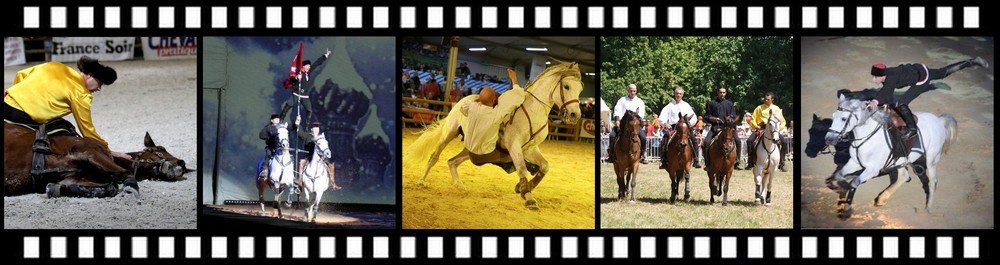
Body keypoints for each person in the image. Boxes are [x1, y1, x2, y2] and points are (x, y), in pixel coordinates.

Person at [4, 56, 130, 160]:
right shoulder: (81, 94)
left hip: (6, 102)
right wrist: (107, 149)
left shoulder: (56, 65)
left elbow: (20, 74)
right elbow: (87, 130)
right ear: (90, 75)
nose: (99, 88)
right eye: (100, 83)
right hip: (21, 116)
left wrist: (16, 93)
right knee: (64, 131)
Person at [869, 57, 989, 140]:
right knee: (944, 72)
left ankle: (912, 129)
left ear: (882, 75)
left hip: (922, 78)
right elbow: (888, 92)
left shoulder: (891, 78)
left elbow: (886, 91)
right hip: (919, 68)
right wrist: (884, 102)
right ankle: (973, 61)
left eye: (875, 77)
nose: (873, 80)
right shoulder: (887, 75)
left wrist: (875, 101)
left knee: (901, 103)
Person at [459, 69, 528, 158]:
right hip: (486, 153)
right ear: (493, 100)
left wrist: (478, 101)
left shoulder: (471, 106)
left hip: (468, 147)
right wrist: (514, 79)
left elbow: (463, 107)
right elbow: (518, 95)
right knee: (510, 155)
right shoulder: (497, 113)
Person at [280, 48, 333, 121]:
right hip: (296, 94)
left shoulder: (308, 72)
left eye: (309, 66)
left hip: (304, 95)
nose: (309, 67)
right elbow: (292, 79)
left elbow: (317, 63)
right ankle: (280, 121)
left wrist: (325, 55)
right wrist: (296, 78)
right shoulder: (298, 73)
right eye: (307, 66)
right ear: (303, 67)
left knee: (309, 111)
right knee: (287, 106)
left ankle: (307, 128)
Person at [293, 117, 341, 190]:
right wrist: (297, 124)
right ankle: (299, 180)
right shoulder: (307, 135)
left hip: (321, 157)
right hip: (308, 156)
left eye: (317, 128)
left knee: (331, 165)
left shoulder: (321, 137)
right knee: (301, 162)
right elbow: (300, 133)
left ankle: (332, 183)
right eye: (314, 128)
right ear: (311, 129)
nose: (316, 130)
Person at [658, 86, 699, 169]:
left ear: (682, 95)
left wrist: (688, 125)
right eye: (677, 93)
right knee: (664, 140)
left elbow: (694, 117)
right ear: (674, 94)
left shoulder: (686, 105)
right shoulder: (669, 106)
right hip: (673, 128)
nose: (678, 95)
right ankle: (664, 161)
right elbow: (661, 118)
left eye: (680, 94)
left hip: (685, 128)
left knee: (694, 140)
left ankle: (696, 159)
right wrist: (665, 123)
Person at [745, 92, 786, 171]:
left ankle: (782, 163)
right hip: (761, 128)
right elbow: (753, 118)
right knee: (749, 141)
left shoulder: (776, 109)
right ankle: (750, 162)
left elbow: (782, 121)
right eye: (765, 99)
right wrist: (756, 125)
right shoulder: (759, 108)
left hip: (774, 129)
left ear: (772, 100)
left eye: (768, 99)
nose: (766, 100)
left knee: (784, 142)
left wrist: (778, 129)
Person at [610, 84, 648, 163]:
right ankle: (612, 155)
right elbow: (617, 110)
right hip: (623, 124)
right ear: (628, 90)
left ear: (636, 91)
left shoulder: (639, 101)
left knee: (643, 137)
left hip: (635, 125)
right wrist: (617, 120)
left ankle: (643, 154)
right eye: (631, 90)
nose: (633, 92)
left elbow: (641, 113)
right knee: (612, 135)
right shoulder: (622, 100)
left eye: (634, 91)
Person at [702, 87, 737, 169]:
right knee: (706, 142)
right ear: (717, 93)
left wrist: (730, 118)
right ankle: (707, 162)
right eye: (720, 92)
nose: (722, 94)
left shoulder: (729, 103)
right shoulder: (711, 103)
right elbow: (706, 116)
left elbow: (733, 115)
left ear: (726, 93)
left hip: (728, 128)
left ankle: (737, 161)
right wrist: (713, 118)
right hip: (715, 127)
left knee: (738, 141)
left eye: (724, 92)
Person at [258, 113, 283, 178]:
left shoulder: (282, 127)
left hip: (280, 147)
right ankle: (264, 170)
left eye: (278, 118)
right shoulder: (268, 127)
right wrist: (268, 136)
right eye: (275, 119)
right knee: (268, 154)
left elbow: (291, 127)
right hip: (271, 147)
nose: (277, 120)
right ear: (272, 120)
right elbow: (261, 135)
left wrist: (296, 124)